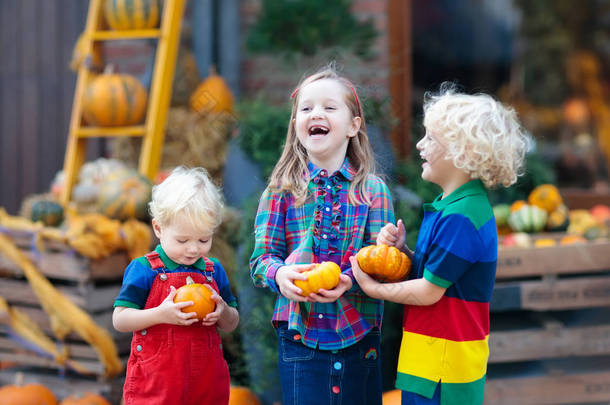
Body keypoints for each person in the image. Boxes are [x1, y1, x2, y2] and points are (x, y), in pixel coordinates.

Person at [351, 85, 530, 405]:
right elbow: (438, 274)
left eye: (431, 138)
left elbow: (429, 291)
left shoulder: (462, 216)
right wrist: (406, 255)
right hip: (433, 359)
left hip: (445, 368)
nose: (420, 145)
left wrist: (372, 288)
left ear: (465, 151)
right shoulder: (452, 207)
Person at [249, 65, 395, 405]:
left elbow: (381, 264)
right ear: (296, 124)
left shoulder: (373, 191)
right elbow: (261, 260)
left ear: (353, 126)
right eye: (306, 108)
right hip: (300, 336)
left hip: (360, 336)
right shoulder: (281, 191)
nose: (317, 113)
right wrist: (279, 273)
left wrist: (349, 279)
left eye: (329, 107)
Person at [113, 166, 239, 405]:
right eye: (182, 240)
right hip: (157, 387)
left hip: (205, 385)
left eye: (203, 239)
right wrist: (161, 314)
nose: (193, 249)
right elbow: (120, 320)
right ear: (159, 228)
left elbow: (232, 324)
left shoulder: (213, 271)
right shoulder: (144, 270)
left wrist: (223, 312)